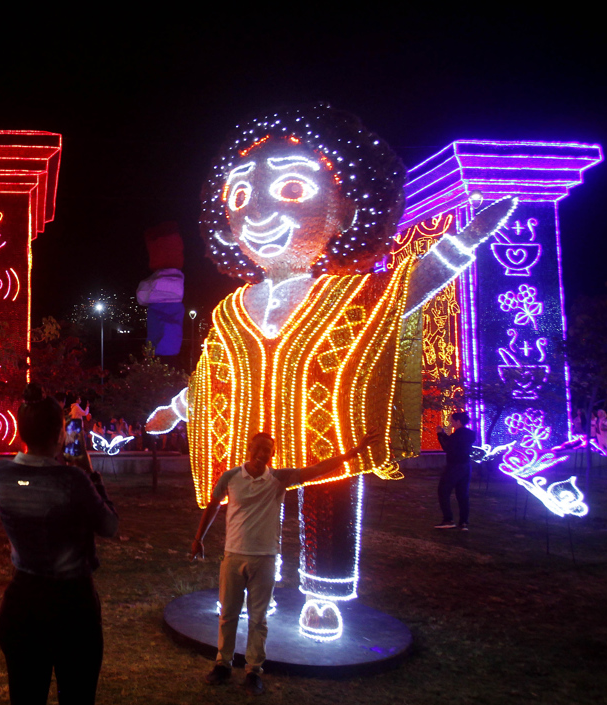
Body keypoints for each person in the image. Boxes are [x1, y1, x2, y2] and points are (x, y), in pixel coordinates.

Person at [148, 104, 514, 640]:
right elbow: (211, 377)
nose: (258, 214)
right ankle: (254, 590)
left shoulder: (348, 291)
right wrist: (176, 409)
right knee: (249, 519)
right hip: (251, 444)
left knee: (331, 508)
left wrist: (466, 242)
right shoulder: (231, 308)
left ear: (344, 208)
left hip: (326, 440)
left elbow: (411, 288)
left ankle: (324, 594)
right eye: (241, 196)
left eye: (292, 189)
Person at [193, 430, 380, 695]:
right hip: (234, 556)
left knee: (258, 619)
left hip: (266, 559)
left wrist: (352, 453)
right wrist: (198, 537)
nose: (262, 454)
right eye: (258, 448)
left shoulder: (279, 479)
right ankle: (223, 665)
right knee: (228, 615)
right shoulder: (231, 478)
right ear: (249, 448)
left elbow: (318, 469)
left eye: (267, 450)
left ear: (272, 454)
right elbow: (213, 505)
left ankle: (253, 671)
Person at [0, 384, 119, 705]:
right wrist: (91, 474)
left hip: (21, 604)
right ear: (61, 435)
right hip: (71, 609)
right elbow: (109, 526)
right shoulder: (72, 480)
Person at [435, 412, 476, 530]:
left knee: (443, 491)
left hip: (454, 466)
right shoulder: (470, 434)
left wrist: (439, 435)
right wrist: (443, 434)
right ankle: (464, 522)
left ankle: (448, 519)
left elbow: (447, 447)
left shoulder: (457, 434)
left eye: (452, 420)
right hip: (466, 466)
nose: (451, 422)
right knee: (462, 494)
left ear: (458, 421)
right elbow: (454, 444)